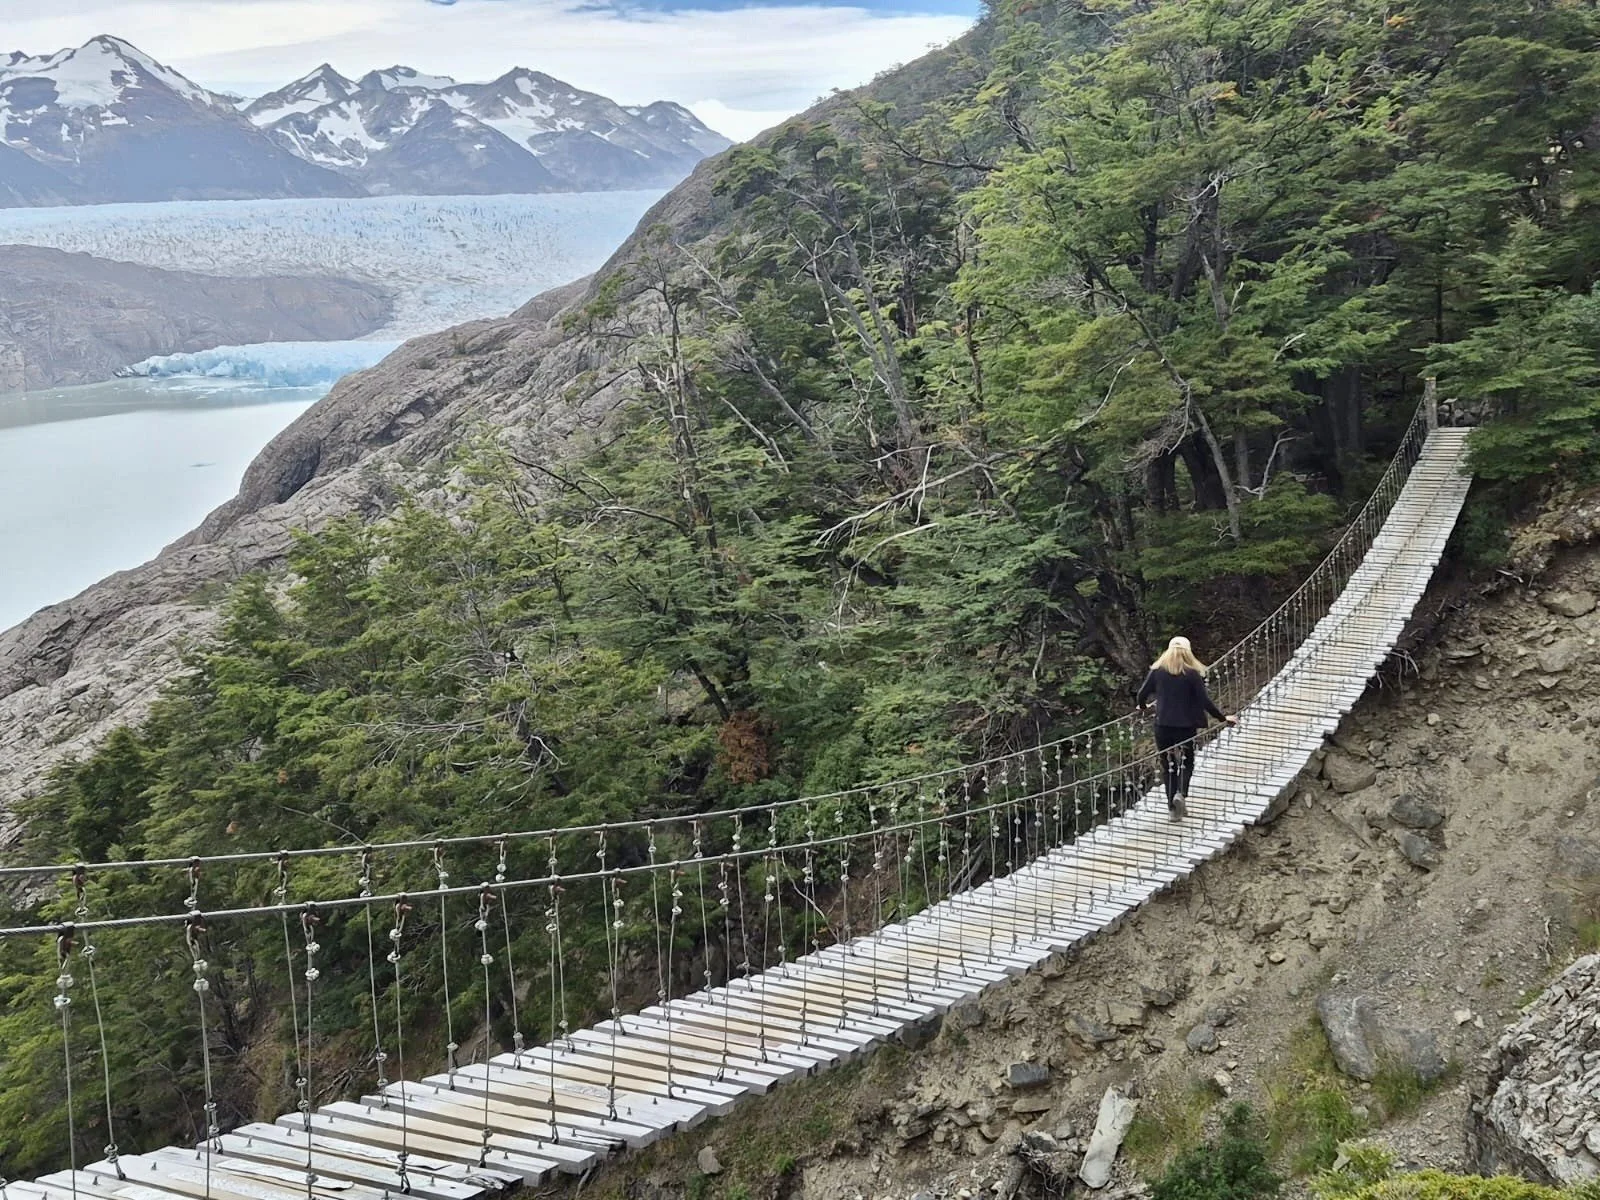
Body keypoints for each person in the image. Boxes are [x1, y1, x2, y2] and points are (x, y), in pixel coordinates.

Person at [1136, 636, 1237, 819]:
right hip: (1185, 728)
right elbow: (1204, 702)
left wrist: (1143, 708)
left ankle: (1172, 810)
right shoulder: (1191, 674)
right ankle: (1180, 794)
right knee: (1186, 762)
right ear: (1188, 652)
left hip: (1163, 727)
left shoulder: (1157, 671)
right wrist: (1223, 719)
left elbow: (1141, 694)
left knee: (1169, 766)